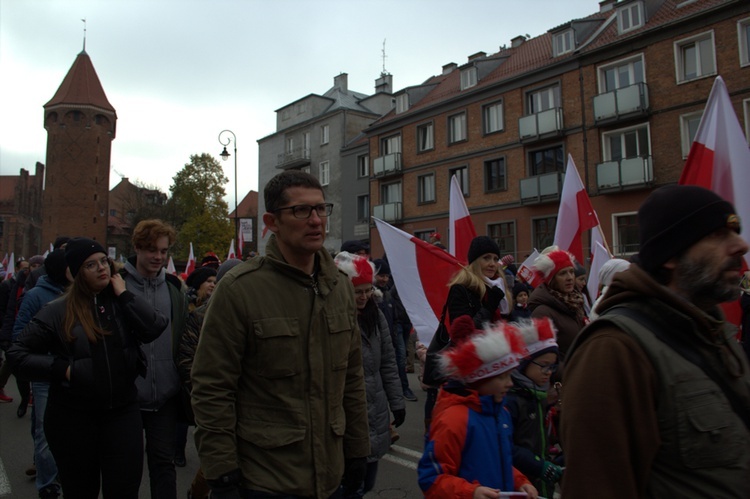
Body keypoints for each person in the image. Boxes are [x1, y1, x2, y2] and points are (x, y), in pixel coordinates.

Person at [561, 185, 750, 498]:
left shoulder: (717, 332)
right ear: (671, 255)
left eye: (736, 232)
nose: (740, 246)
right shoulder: (614, 348)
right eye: (718, 235)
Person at [191, 170, 370, 498]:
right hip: (265, 479)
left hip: (331, 475)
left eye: (321, 209)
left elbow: (352, 378)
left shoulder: (340, 287)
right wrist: (221, 471)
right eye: (302, 210)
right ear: (272, 222)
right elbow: (212, 387)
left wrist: (358, 449)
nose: (316, 220)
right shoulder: (240, 289)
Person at [8, 237, 168, 498]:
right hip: (73, 418)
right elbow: (17, 355)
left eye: (104, 261)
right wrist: (63, 369)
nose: (102, 268)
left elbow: (155, 327)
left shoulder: (121, 302)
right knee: (81, 490)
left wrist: (125, 294)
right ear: (75, 273)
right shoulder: (57, 310)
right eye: (90, 265)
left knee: (125, 489)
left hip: (122, 413)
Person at [418, 315, 538, 499]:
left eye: (510, 375)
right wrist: (470, 492)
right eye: (501, 377)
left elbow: (499, 460)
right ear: (480, 379)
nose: (509, 384)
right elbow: (431, 478)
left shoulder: (501, 413)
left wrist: (520, 482)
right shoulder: (454, 419)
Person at [122, 219, 188, 499]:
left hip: (165, 396)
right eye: (151, 250)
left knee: (163, 465)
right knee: (126, 469)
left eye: (163, 251)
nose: (158, 257)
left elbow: (184, 336)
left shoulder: (175, 288)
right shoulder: (117, 284)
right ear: (136, 248)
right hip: (126, 397)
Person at [334, 252, 405, 498]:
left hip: (375, 410)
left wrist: (397, 402)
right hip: (347, 414)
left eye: (367, 290)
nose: (363, 296)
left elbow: (388, 362)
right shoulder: (335, 320)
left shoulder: (376, 318)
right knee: (350, 486)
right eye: (357, 291)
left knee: (368, 481)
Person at [177, 258, 242, 499]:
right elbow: (187, 362)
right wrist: (208, 395)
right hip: (217, 406)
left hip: (249, 406)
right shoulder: (201, 317)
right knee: (218, 465)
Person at [11, 249, 70, 499]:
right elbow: (19, 337)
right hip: (46, 375)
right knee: (45, 433)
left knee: (72, 432)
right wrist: (46, 360)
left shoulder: (81, 294)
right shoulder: (35, 296)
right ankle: (47, 484)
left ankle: (63, 474)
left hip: (73, 373)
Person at [505, 317, 563, 498]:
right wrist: (539, 466)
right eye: (543, 366)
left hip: (539, 481)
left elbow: (543, 440)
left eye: (552, 367)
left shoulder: (539, 395)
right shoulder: (511, 399)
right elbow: (506, 448)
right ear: (524, 363)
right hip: (520, 484)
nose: (549, 373)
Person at [372, 258, 418, 403]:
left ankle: (397, 390)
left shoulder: (388, 294)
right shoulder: (375, 294)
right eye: (382, 276)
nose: (385, 279)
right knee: (399, 357)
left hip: (402, 325)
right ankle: (403, 388)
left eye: (387, 276)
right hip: (389, 332)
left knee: (400, 357)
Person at [528, 247, 587, 359]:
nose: (569, 278)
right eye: (563, 273)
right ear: (552, 279)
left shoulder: (576, 303)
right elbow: (543, 358)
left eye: (571, 272)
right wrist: (567, 372)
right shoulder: (542, 312)